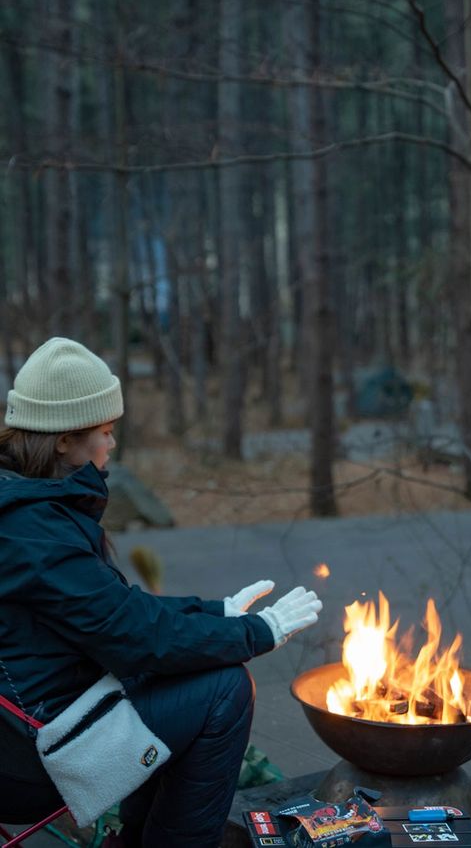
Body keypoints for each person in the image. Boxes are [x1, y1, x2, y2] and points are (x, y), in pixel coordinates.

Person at [0, 336, 322, 847]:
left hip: (32, 724)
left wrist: (217, 612)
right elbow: (131, 636)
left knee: (185, 672)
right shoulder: (31, 531)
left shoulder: (24, 507)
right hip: (33, 756)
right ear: (63, 441)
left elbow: (113, 613)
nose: (111, 445)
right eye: (105, 432)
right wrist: (258, 632)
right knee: (224, 690)